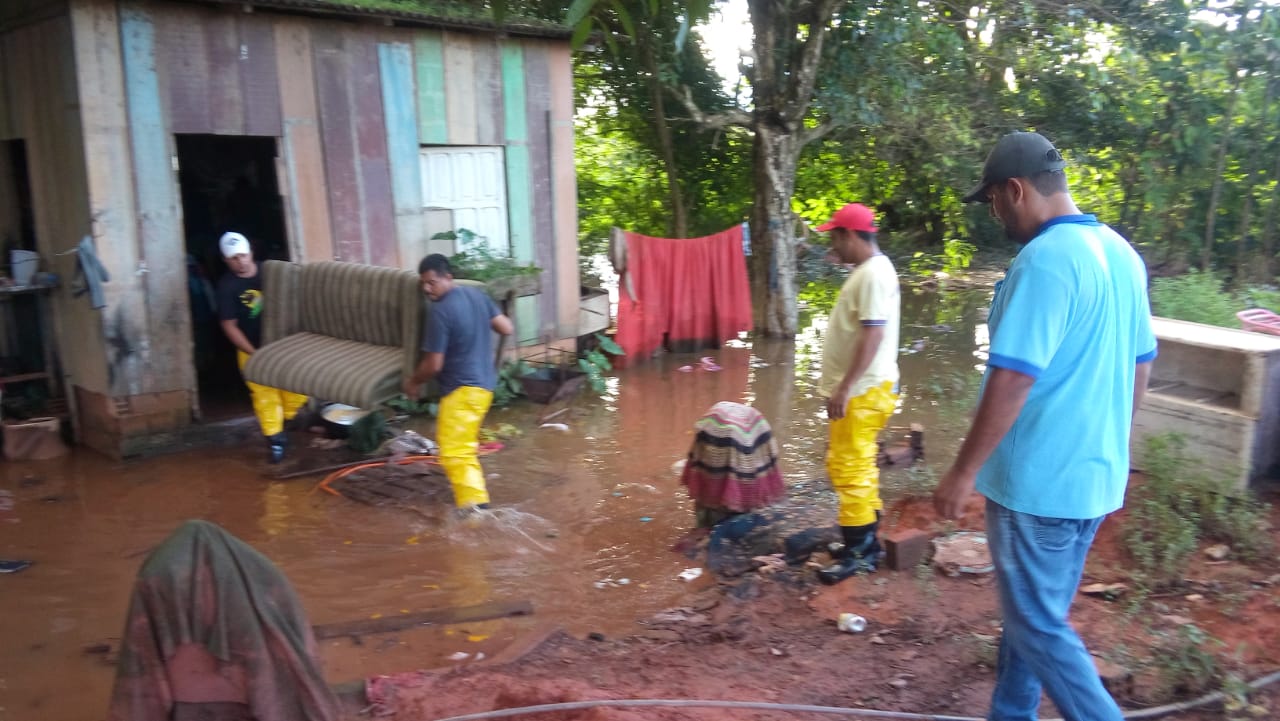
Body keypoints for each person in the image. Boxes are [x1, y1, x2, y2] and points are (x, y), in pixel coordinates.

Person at [933, 131, 1156, 721]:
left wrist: (962, 471)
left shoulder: (1046, 260)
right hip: (1092, 481)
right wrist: (1112, 445)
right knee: (1033, 616)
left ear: (1016, 190)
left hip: (1039, 486)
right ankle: (1011, 713)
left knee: (1036, 624)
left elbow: (1012, 378)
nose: (996, 216)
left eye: (994, 203)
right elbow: (1142, 363)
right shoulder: (1121, 253)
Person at [108, 520, 340, 721]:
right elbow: (303, 656)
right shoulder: (263, 578)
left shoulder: (159, 579)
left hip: (205, 696)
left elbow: (140, 683)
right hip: (237, 693)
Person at [813, 203, 901, 585]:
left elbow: (874, 333)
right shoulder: (870, 271)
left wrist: (845, 386)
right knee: (855, 465)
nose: (833, 243)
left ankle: (860, 553)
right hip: (868, 388)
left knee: (850, 468)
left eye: (835, 236)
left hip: (862, 391)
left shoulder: (872, 276)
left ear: (850, 235)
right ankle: (864, 542)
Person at [403, 253, 514, 512]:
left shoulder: (440, 312)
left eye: (432, 283)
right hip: (484, 388)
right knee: (463, 447)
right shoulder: (477, 296)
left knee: (455, 452)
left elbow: (434, 364)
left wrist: (413, 383)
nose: (427, 289)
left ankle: (475, 511)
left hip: (462, 391)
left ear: (448, 278)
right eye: (424, 284)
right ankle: (472, 503)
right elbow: (506, 328)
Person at [216, 231, 307, 464]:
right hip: (252, 349)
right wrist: (253, 354)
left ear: (251, 253)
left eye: (243, 255)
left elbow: (295, 295)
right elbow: (229, 325)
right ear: (226, 261)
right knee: (264, 395)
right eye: (234, 258)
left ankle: (288, 423)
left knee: (295, 387)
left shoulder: (270, 271)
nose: (240, 261)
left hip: (281, 345)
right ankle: (275, 440)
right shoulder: (227, 287)